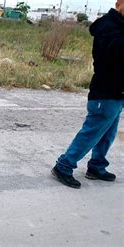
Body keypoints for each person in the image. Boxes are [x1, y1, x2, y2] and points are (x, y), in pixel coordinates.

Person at [51, 1, 124, 189]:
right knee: (91, 132)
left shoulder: (119, 26)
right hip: (105, 92)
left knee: (108, 133)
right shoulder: (107, 26)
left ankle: (97, 166)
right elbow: (117, 52)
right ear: (118, 4)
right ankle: (64, 165)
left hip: (117, 92)